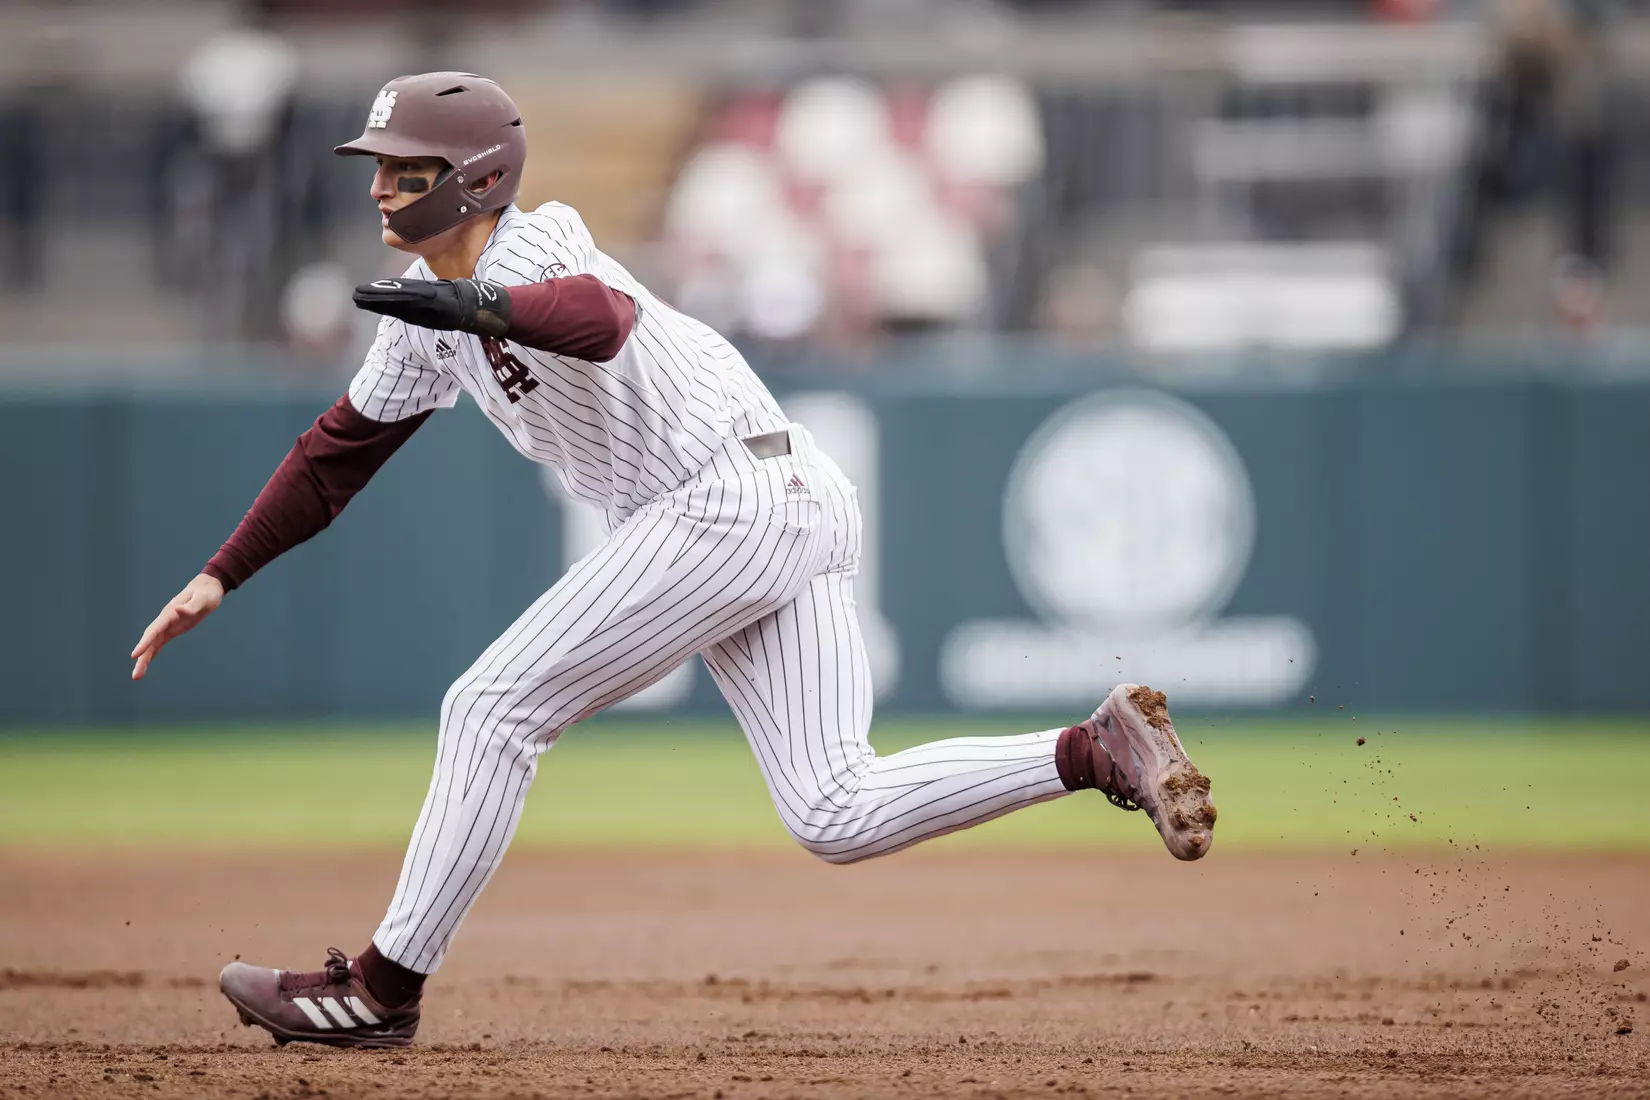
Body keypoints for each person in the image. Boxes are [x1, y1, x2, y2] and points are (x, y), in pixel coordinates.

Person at [129, 72, 1217, 1050]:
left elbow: (598, 317)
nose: (377, 191)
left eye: (401, 170)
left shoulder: (531, 246)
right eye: (376, 169)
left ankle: (381, 987)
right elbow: (336, 455)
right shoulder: (423, 318)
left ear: (470, 177)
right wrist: (221, 570)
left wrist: (480, 303)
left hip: (727, 499)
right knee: (834, 808)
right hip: (775, 497)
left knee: (490, 708)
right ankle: (1094, 748)